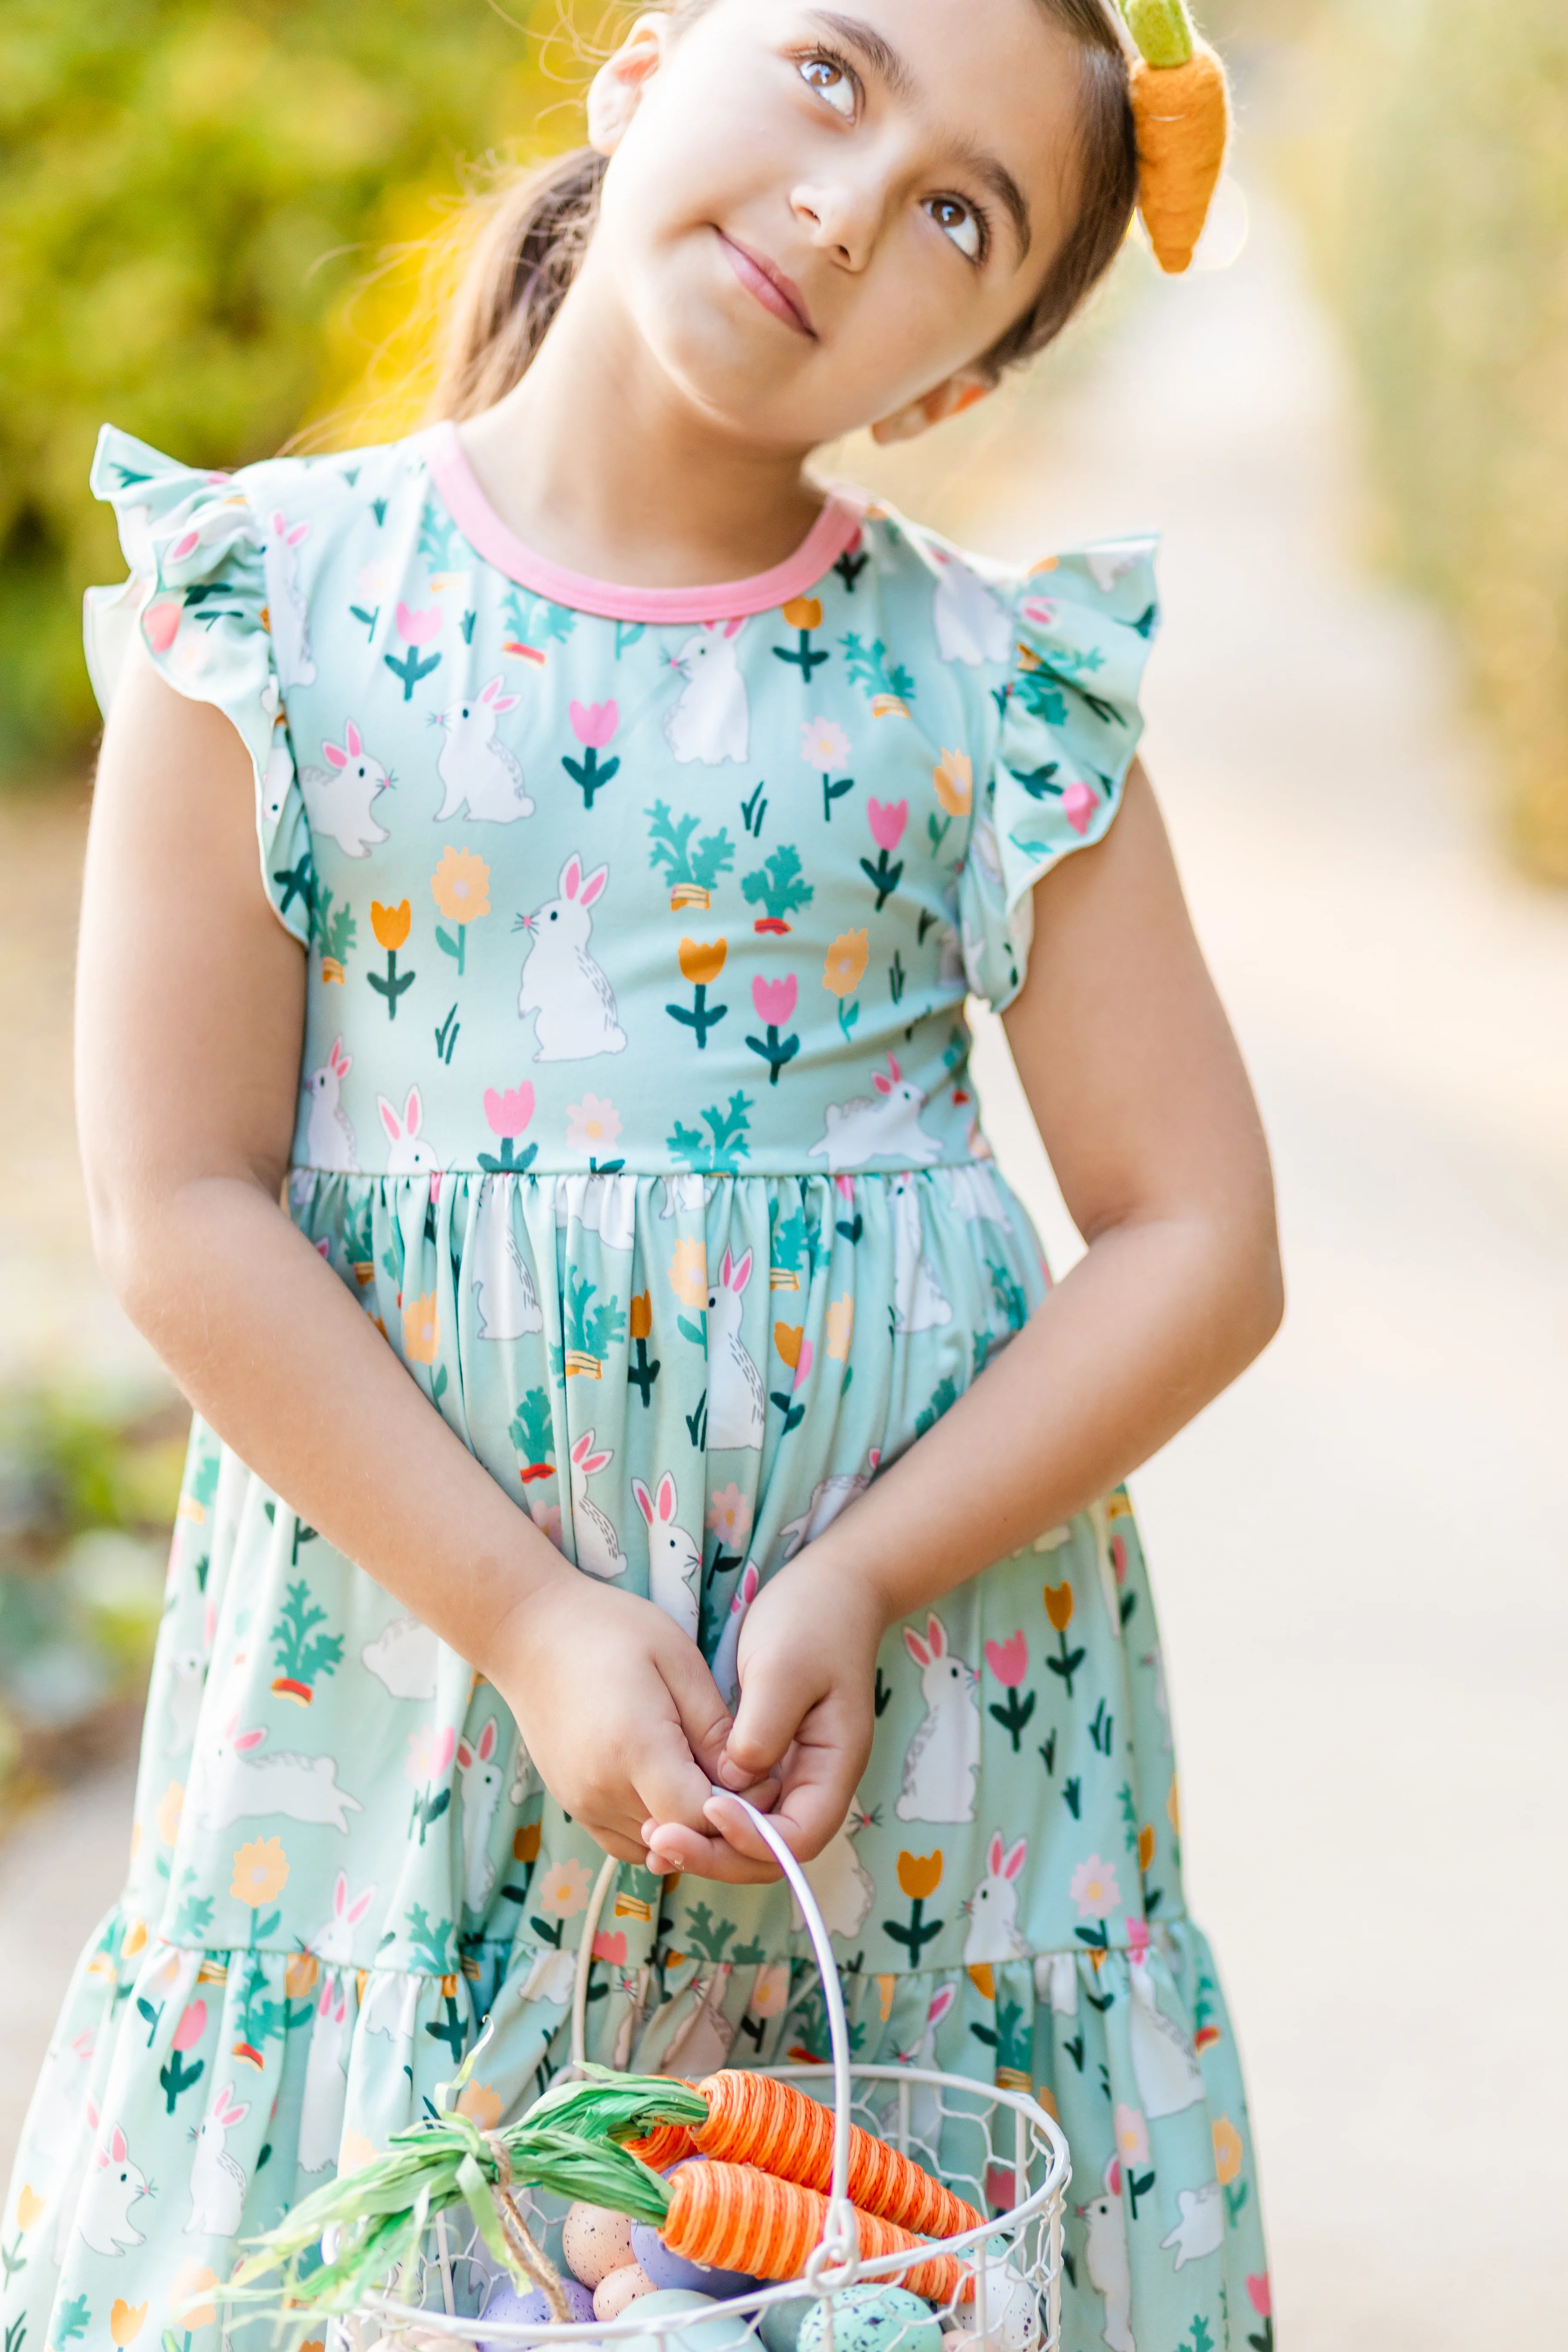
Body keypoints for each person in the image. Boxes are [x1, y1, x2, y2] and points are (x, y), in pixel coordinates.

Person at [3, 4, 1281, 2347]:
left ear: (958, 385)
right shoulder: (268, 615)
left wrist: (878, 1571)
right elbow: (173, 1200)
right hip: (403, 1721)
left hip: (895, 1782)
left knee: (879, 2256)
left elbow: (1200, 1238)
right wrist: (525, 1616)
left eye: (959, 219)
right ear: (641, 58)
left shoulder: (990, 697)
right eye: (828, 72)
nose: (849, 199)